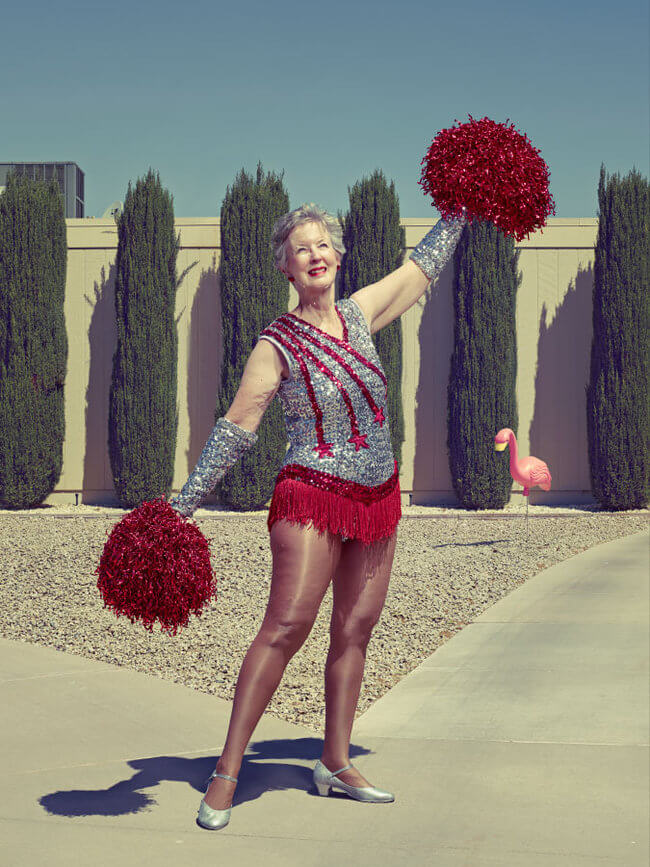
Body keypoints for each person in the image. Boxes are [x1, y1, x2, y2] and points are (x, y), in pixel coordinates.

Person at [169, 202, 467, 830]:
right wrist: (185, 502)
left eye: (323, 243)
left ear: (337, 255)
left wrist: (463, 205)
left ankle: (334, 761)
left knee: (354, 632)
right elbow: (238, 426)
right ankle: (227, 770)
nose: (315, 253)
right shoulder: (276, 343)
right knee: (286, 627)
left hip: (379, 499)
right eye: (301, 248)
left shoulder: (360, 314)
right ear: (286, 266)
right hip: (310, 495)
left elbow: (421, 268)